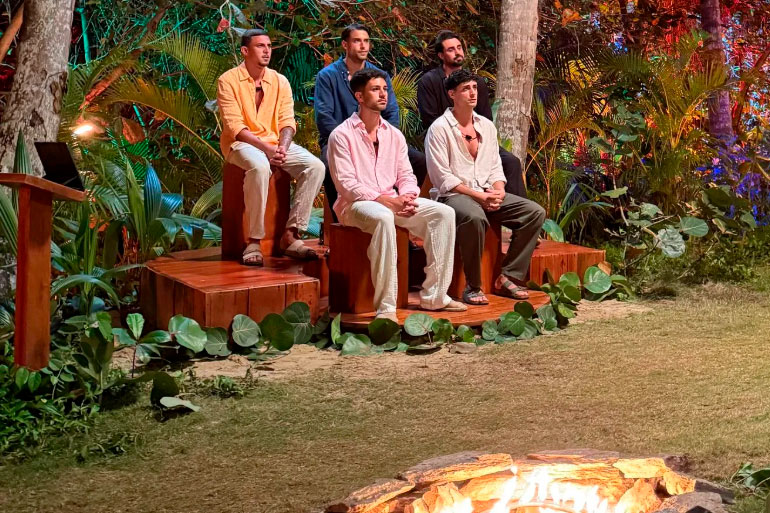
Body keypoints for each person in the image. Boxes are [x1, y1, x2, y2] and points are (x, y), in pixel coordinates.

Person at [328, 69, 467, 321]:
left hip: (393, 201)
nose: (383, 94)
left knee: (443, 213)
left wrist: (408, 197)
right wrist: (386, 201)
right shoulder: (341, 135)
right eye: (375, 89)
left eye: (384, 89)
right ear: (359, 96)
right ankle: (386, 307)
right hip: (356, 205)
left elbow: (406, 175)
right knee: (383, 217)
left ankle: (435, 297)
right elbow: (347, 185)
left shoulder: (393, 134)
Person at [425, 69, 545, 305]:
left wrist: (499, 190)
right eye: (465, 89)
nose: (472, 93)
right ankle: (473, 286)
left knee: (534, 212)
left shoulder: (487, 126)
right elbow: (442, 178)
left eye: (474, 88)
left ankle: (508, 276)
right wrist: (479, 197)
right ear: (452, 94)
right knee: (474, 217)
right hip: (453, 195)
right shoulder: (439, 129)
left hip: (485, 191)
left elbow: (495, 166)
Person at [217, 29, 324, 266]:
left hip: (275, 143)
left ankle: (291, 234)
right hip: (241, 144)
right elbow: (235, 127)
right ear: (245, 51)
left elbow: (287, 121)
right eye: (260, 46)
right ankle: (254, 241)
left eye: (269, 46)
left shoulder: (279, 81)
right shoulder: (228, 80)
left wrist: (282, 148)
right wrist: (266, 149)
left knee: (315, 166)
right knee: (259, 166)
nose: (267, 51)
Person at [315, 23, 428, 224]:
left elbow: (392, 112)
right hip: (340, 140)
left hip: (378, 136)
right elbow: (324, 117)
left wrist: (385, 137)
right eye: (357, 41)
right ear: (345, 45)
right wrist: (348, 138)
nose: (363, 46)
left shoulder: (379, 75)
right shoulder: (328, 75)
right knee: (328, 163)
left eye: (366, 41)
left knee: (420, 161)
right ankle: (338, 225)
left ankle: (398, 212)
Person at [418, 30, 527, 198]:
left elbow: (485, 118)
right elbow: (429, 120)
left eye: (459, 47)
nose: (457, 52)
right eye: (451, 49)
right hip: (444, 140)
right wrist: (458, 132)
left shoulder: (476, 82)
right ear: (440, 55)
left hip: (475, 137)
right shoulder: (429, 81)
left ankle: (510, 206)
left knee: (512, 162)